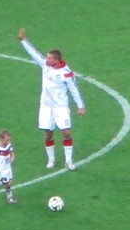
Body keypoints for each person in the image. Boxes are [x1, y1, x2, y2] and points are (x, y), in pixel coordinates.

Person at [17, 28, 86, 171]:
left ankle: (68, 161)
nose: (46, 60)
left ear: (56, 60)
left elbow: (73, 88)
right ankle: (51, 159)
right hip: (46, 106)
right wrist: (23, 40)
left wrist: (80, 105)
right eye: (47, 58)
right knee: (48, 134)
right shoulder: (45, 65)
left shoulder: (65, 72)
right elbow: (34, 54)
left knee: (66, 132)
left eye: (49, 58)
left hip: (60, 106)